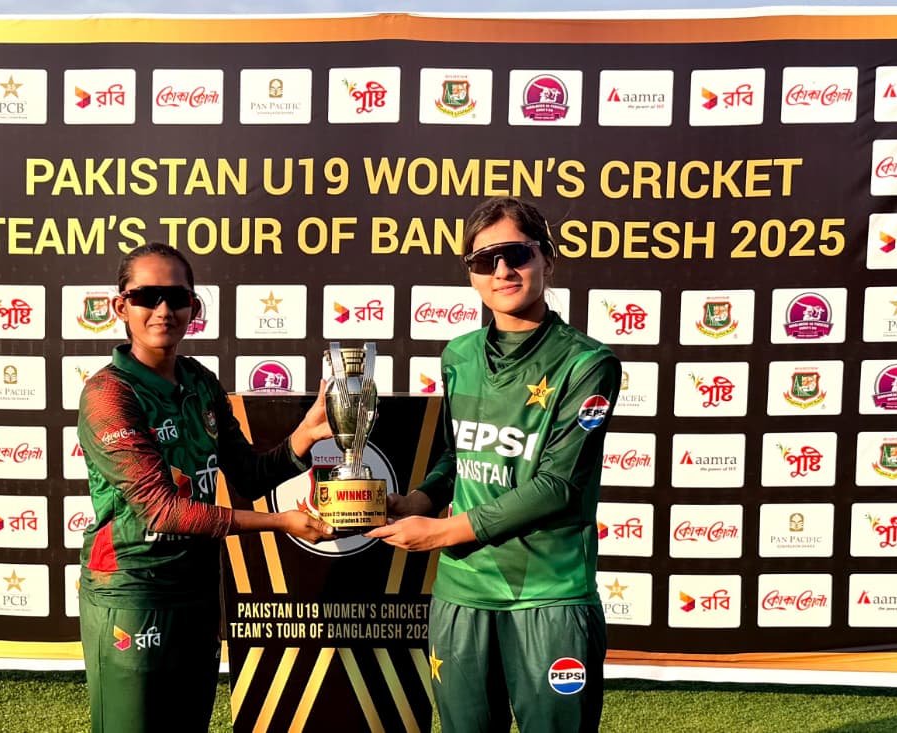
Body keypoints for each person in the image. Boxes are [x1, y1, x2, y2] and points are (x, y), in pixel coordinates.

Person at [369, 197, 620, 733]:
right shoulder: (458, 355)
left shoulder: (588, 362)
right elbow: (458, 453)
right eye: (484, 260)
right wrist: (420, 500)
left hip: (549, 596)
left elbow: (558, 485)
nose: (502, 270)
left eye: (516, 254)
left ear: (547, 258)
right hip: (462, 591)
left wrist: (441, 533)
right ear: (472, 275)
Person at [76, 242, 334, 733]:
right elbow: (161, 510)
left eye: (177, 298)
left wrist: (305, 435)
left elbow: (249, 477)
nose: (163, 310)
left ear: (193, 308)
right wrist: (281, 523)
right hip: (133, 589)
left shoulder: (200, 381)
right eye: (146, 297)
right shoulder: (108, 394)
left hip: (197, 587)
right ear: (121, 307)